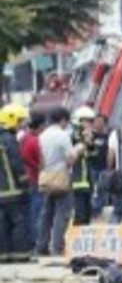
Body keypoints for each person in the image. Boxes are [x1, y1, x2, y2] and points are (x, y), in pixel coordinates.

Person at [35, 107, 76, 257]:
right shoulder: (62, 135)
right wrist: (78, 150)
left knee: (46, 213)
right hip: (61, 177)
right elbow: (71, 158)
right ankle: (57, 247)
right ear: (63, 120)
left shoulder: (42, 135)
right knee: (62, 213)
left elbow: (40, 158)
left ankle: (41, 246)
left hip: (46, 178)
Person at [0, 103, 32, 262]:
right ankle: (21, 255)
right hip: (13, 190)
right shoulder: (9, 139)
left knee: (3, 224)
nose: (21, 125)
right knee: (19, 223)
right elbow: (17, 164)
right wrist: (26, 183)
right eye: (20, 121)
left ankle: (3, 256)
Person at [69, 107, 101, 226]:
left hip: (87, 181)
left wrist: (91, 143)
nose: (91, 124)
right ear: (79, 120)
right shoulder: (74, 135)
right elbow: (74, 153)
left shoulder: (88, 136)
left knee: (87, 215)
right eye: (88, 121)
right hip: (77, 181)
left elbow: (94, 156)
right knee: (80, 216)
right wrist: (86, 140)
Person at [21, 111, 45, 237]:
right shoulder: (35, 141)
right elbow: (41, 162)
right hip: (36, 179)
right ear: (41, 126)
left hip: (26, 179)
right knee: (37, 211)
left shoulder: (23, 138)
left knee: (30, 211)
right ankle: (35, 239)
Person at [88, 112, 110, 218]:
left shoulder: (108, 137)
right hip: (92, 166)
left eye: (100, 122)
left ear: (105, 124)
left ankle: (98, 209)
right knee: (92, 189)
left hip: (103, 167)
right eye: (96, 122)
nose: (97, 124)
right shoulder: (90, 136)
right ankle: (92, 209)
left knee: (102, 189)